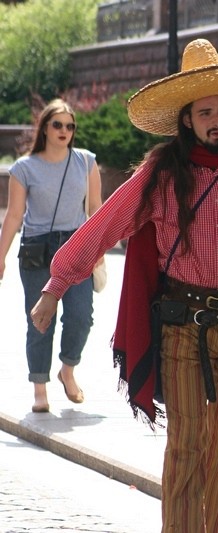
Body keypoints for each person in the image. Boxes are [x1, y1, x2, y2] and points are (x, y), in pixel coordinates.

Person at [29, 39, 218, 533]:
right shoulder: (161, 173)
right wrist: (56, 285)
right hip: (182, 326)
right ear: (187, 120)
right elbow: (106, 223)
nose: (217, 121)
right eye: (205, 112)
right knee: (186, 447)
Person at [0, 98, 102, 413]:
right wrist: (1, 256)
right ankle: (39, 388)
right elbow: (14, 216)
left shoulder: (86, 161)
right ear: (45, 128)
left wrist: (99, 248)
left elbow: (96, 209)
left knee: (81, 316)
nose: (64, 130)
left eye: (70, 126)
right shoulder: (24, 168)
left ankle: (67, 370)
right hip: (37, 249)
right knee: (40, 320)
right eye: (57, 124)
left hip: (77, 246)